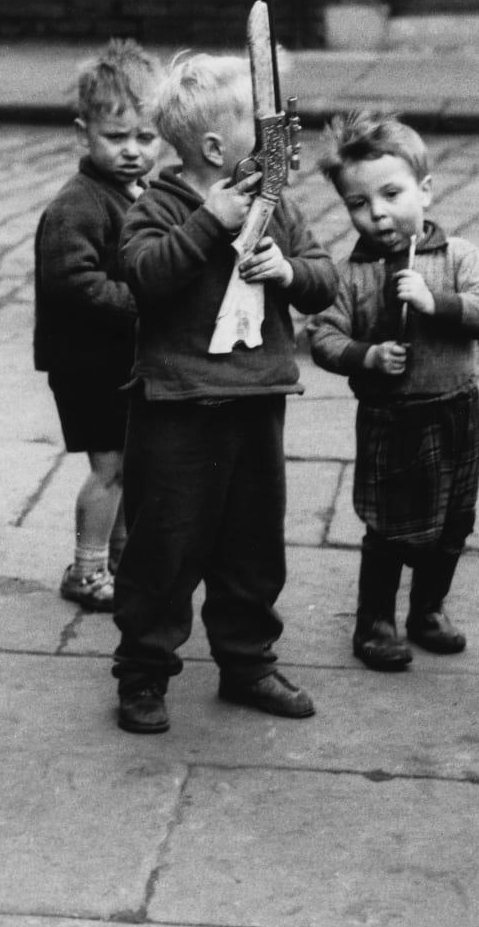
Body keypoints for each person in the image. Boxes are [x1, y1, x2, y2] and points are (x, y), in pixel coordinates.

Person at [110, 54, 336, 734]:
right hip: (178, 408)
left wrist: (289, 270)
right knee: (165, 547)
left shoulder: (279, 206)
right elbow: (146, 277)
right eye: (263, 122)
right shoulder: (158, 207)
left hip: (255, 400)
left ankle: (247, 660)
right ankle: (144, 670)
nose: (280, 132)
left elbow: (326, 281)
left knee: (252, 544)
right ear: (214, 147)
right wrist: (210, 221)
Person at [309, 110, 479, 672]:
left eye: (392, 194)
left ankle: (428, 608)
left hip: (455, 410)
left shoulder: (459, 258)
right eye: (358, 203)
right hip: (391, 418)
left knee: (453, 522)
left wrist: (435, 303)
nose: (377, 214)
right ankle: (374, 620)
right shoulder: (350, 276)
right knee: (391, 528)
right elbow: (322, 334)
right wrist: (365, 356)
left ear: (424, 189)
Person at [33, 40, 163, 613]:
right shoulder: (79, 204)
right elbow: (75, 284)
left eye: (146, 137)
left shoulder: (133, 192)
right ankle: (87, 571)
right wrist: (145, 301)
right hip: (87, 361)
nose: (133, 150)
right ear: (82, 134)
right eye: (117, 138)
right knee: (109, 468)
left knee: (128, 462)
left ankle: (119, 557)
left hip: (118, 359)